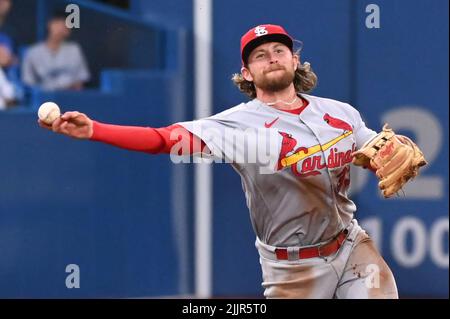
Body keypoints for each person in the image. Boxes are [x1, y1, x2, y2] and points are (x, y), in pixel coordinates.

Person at [38, 24, 400, 299]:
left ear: (294, 60)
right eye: (260, 55)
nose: (272, 56)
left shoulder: (339, 114)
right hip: (293, 267)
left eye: (279, 50)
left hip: (351, 245)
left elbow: (375, 150)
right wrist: (96, 129)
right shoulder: (235, 125)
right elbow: (163, 139)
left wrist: (393, 151)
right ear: (246, 73)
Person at [22, 12, 90, 91]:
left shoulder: (74, 49)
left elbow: (81, 79)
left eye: (64, 27)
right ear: (50, 24)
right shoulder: (33, 52)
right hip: (44, 98)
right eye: (58, 25)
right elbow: (28, 82)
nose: (60, 30)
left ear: (68, 31)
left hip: (69, 96)